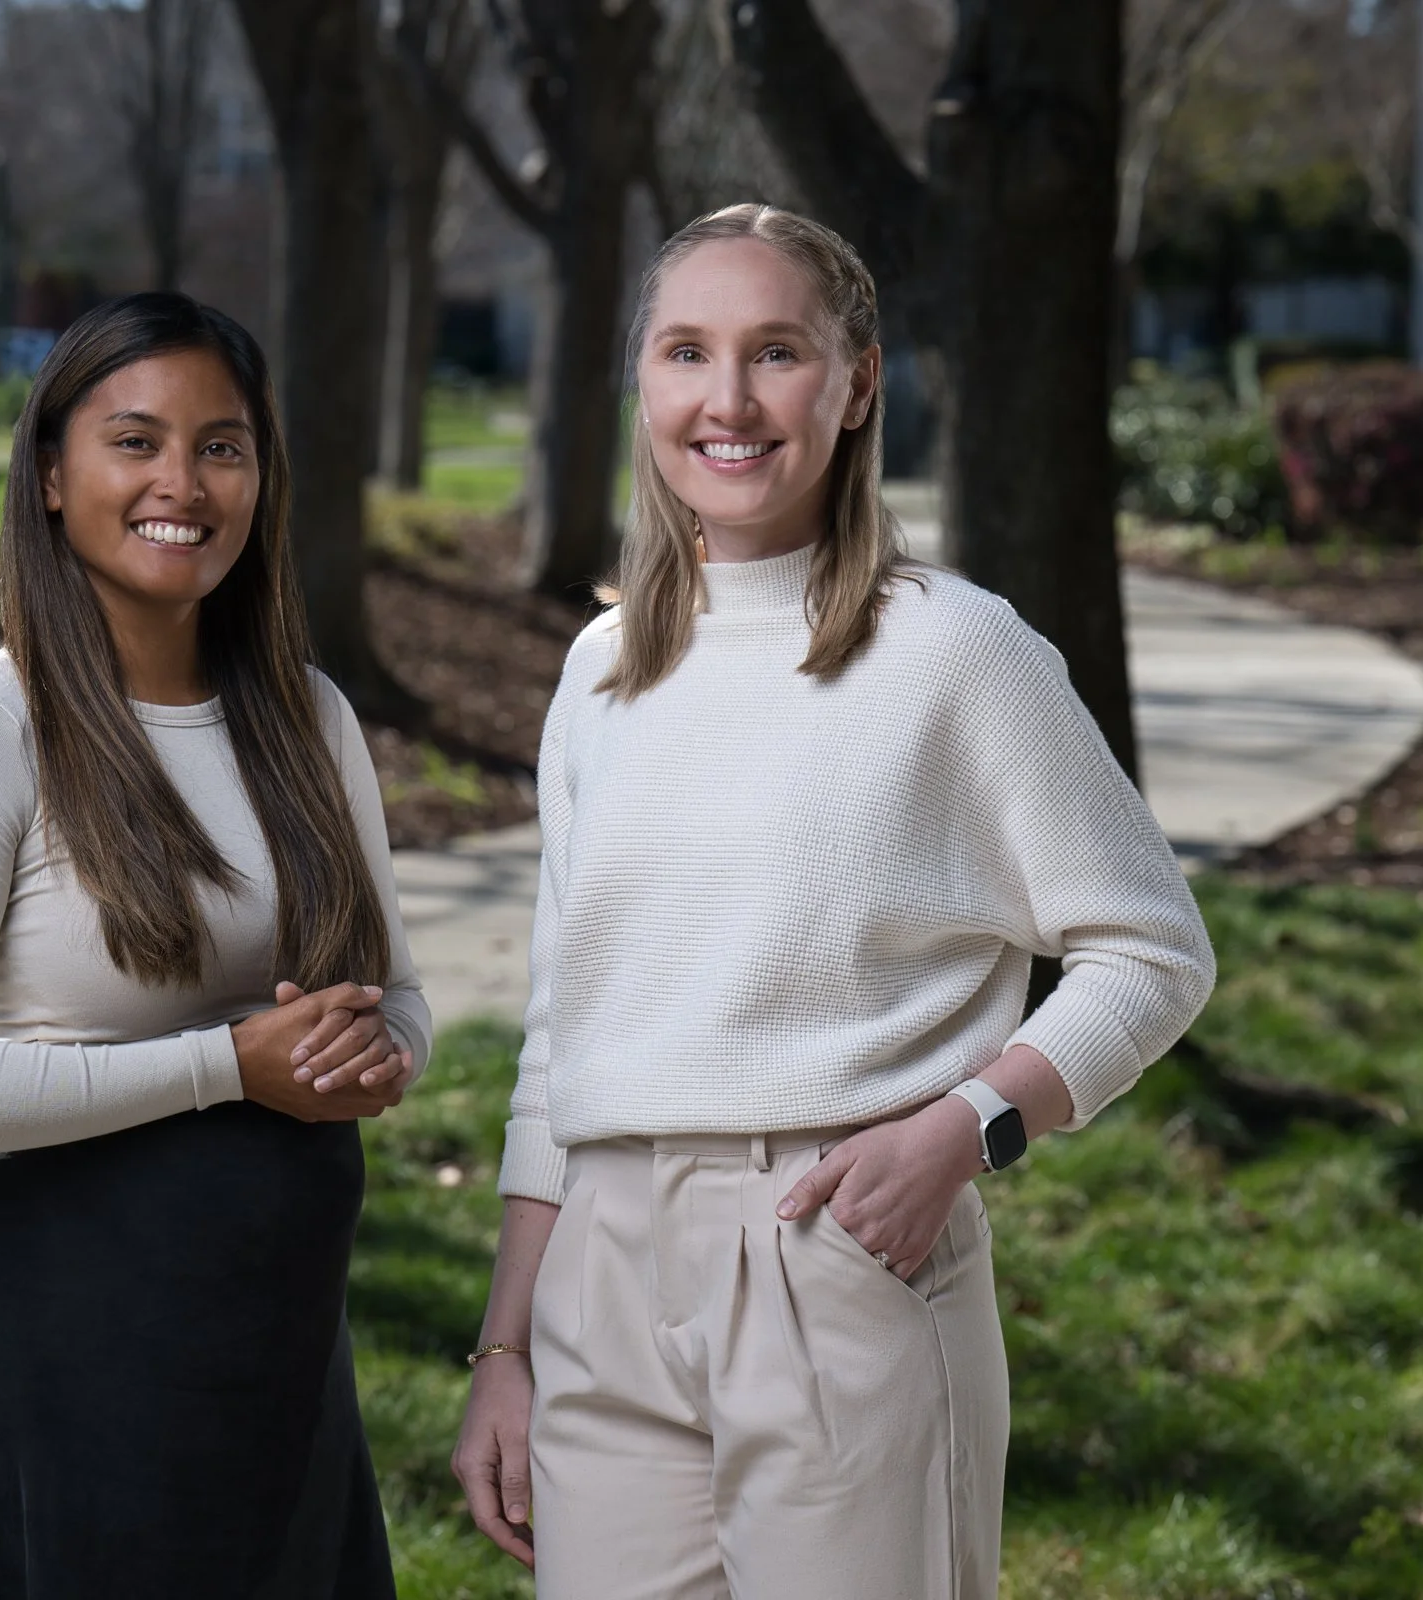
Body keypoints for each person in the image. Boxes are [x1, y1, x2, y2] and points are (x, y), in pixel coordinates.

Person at [449, 204, 1216, 1599]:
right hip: (600, 1279)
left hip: (835, 1244)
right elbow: (564, 1035)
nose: (728, 402)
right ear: (642, 381)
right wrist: (507, 1343)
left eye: (776, 353)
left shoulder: (954, 650)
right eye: (687, 352)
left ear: (857, 384)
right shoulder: (601, 670)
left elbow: (1151, 952)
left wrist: (965, 1130)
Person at [0, 292, 427, 1598]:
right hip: (66, 1337)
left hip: (280, 1341)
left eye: (222, 446)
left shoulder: (309, 718)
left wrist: (379, 1055)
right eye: (135, 441)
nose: (184, 482)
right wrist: (231, 1065)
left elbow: (401, 993)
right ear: (53, 476)